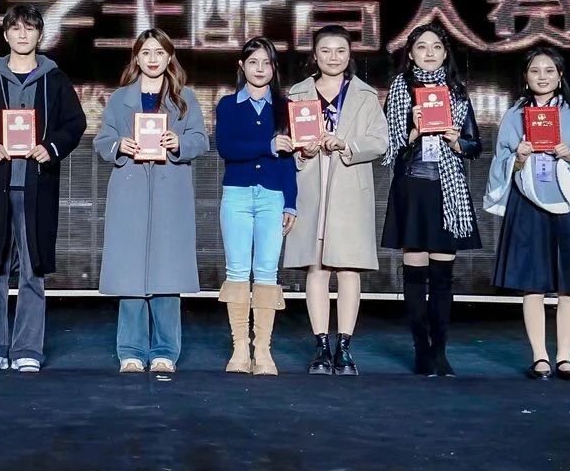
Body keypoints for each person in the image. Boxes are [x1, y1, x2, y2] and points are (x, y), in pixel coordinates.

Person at [0, 4, 86, 373]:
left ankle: (28, 348)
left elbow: (75, 124)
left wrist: (51, 147)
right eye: (16, 28)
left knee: (33, 271)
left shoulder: (54, 79)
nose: (23, 34)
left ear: (40, 35)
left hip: (36, 189)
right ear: (6, 34)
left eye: (30, 28)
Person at [484, 48, 570, 379]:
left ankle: (565, 357)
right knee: (533, 283)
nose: (542, 76)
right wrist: (518, 157)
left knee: (569, 284)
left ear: (560, 76)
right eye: (535, 70)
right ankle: (540, 356)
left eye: (549, 70)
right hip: (527, 204)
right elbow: (500, 161)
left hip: (568, 205)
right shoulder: (514, 116)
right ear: (525, 77)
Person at [95, 28, 207, 374]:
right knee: (129, 273)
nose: (153, 59)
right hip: (130, 190)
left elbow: (200, 139)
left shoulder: (184, 97)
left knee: (167, 275)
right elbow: (103, 139)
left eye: (159, 52)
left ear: (169, 56)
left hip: (170, 191)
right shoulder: (120, 99)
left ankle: (165, 351)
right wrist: (119, 145)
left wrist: (179, 143)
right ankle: (129, 350)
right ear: (137, 58)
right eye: (146, 53)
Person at [283, 25, 387, 376]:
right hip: (312, 183)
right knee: (316, 266)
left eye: (340, 50)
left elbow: (380, 141)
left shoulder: (364, 95)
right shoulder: (298, 93)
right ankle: (321, 346)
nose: (333, 57)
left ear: (349, 55)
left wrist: (347, 145)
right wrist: (303, 151)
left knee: (348, 268)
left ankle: (344, 347)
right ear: (314, 55)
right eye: (325, 50)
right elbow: (288, 141)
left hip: (348, 186)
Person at [380, 21, 483, 377]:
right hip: (413, 187)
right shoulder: (400, 90)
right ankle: (421, 349)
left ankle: (440, 350)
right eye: (422, 47)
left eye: (436, 47)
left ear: (445, 53)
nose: (429, 53)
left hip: (447, 190)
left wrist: (457, 140)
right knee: (414, 274)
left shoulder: (457, 92)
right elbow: (388, 146)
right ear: (410, 54)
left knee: (442, 277)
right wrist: (412, 131)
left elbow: (474, 145)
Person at [213, 37, 298, 375]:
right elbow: (227, 148)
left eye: (266, 63)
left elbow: (289, 160)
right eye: (253, 62)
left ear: (274, 68)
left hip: (273, 196)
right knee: (236, 271)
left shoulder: (286, 107)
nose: (260, 69)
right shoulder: (228, 105)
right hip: (236, 194)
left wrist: (291, 203)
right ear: (242, 66)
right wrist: (268, 145)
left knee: (266, 272)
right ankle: (239, 349)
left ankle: (262, 350)